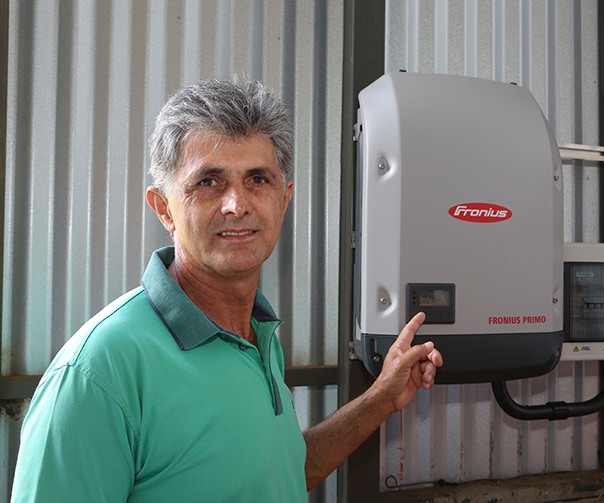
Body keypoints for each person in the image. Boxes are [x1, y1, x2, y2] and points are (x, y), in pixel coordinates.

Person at [11, 77, 443, 502]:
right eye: (208, 182)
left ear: (284, 199)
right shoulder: (97, 373)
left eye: (258, 179)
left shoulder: (258, 334)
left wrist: (381, 399)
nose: (237, 204)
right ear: (164, 208)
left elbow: (279, 473)